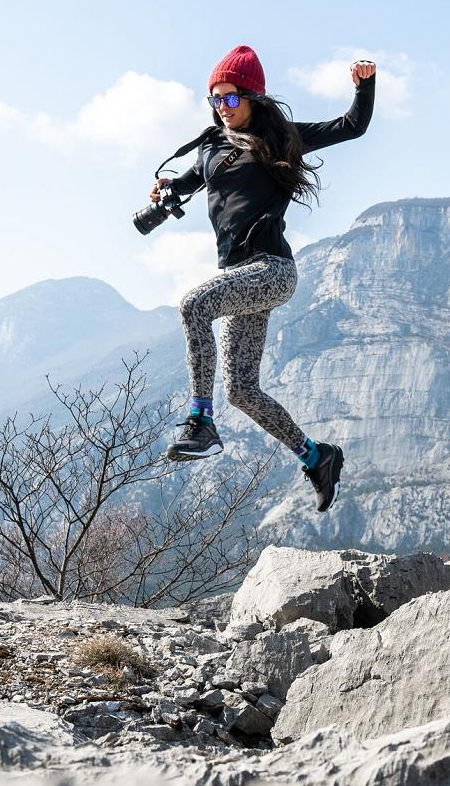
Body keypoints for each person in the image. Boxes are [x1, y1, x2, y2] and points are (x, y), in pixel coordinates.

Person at [150, 44, 376, 512]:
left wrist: (364, 85)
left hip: (271, 271)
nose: (222, 108)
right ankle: (317, 457)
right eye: (214, 99)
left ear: (253, 97)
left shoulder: (281, 137)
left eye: (231, 98)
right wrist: (167, 188)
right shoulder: (211, 147)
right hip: (238, 276)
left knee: (193, 306)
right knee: (242, 390)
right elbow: (188, 182)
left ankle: (199, 420)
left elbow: (352, 126)